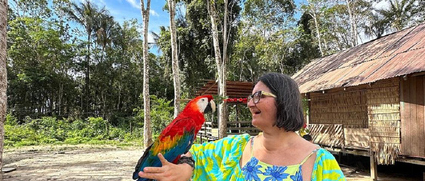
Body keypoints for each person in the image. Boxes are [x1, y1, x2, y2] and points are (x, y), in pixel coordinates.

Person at [137, 72, 345, 181]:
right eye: (250, 97)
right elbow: (194, 153)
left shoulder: (321, 163)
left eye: (258, 96)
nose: (250, 102)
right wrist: (186, 168)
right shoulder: (234, 148)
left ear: (284, 101)